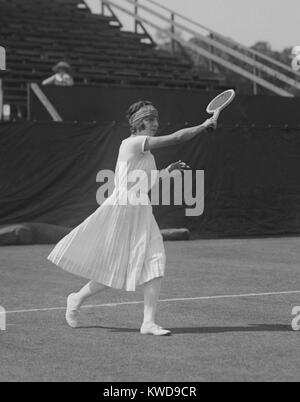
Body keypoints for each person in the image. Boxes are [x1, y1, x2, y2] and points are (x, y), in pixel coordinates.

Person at [47, 100, 217, 336]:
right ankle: (75, 299)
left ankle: (148, 322)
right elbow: (177, 138)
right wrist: (202, 126)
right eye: (150, 119)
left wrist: (167, 172)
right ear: (139, 123)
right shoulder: (132, 143)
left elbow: (145, 182)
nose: (155, 124)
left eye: (156, 119)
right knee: (113, 269)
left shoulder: (145, 153)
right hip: (121, 209)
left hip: (141, 210)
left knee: (155, 260)